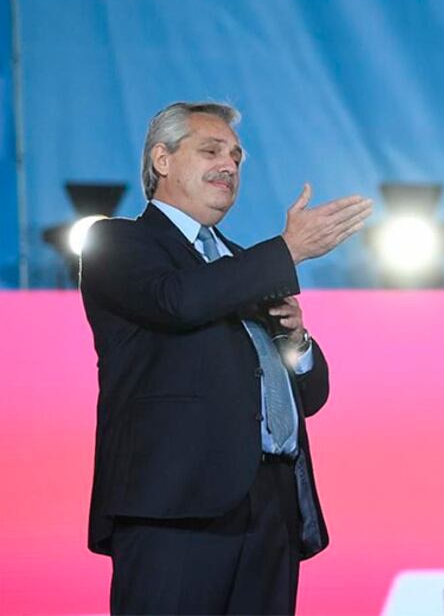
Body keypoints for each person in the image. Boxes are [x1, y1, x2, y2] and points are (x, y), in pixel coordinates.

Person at [80, 101, 373, 614]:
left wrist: (297, 341)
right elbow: (178, 300)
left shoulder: (242, 263)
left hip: (269, 508)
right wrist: (288, 249)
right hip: (175, 506)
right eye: (211, 150)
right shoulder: (118, 241)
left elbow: (310, 395)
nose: (230, 165)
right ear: (162, 160)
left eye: (237, 157)